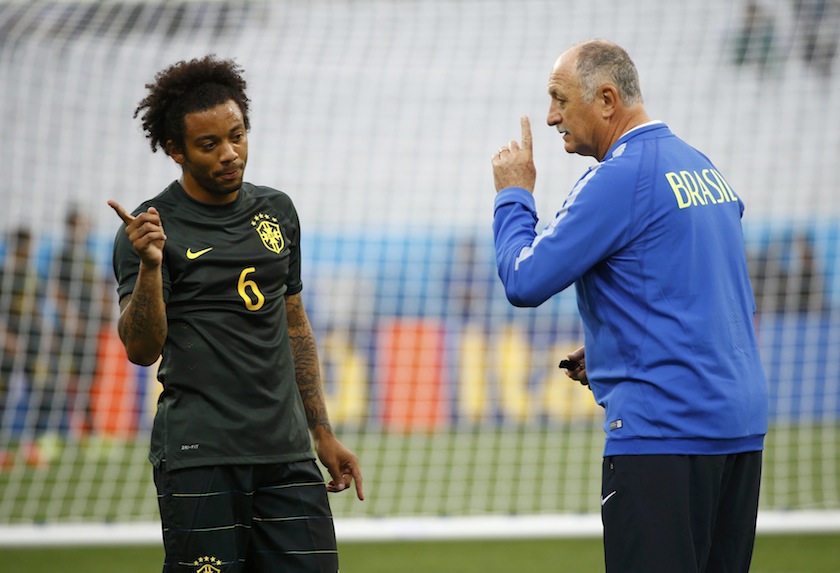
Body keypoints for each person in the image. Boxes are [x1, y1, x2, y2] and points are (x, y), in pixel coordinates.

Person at [491, 39, 768, 573]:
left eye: (559, 99)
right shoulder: (700, 167)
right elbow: (698, 288)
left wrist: (513, 196)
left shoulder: (618, 177)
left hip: (663, 436)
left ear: (607, 100)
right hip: (738, 431)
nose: (551, 118)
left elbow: (525, 280)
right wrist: (615, 343)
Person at [108, 55, 363, 573]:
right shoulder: (150, 229)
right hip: (201, 454)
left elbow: (294, 325)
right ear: (175, 149)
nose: (230, 153)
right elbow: (140, 350)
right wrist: (152, 267)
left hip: (286, 453)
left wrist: (321, 432)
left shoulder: (277, 211)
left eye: (238, 135)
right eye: (209, 144)